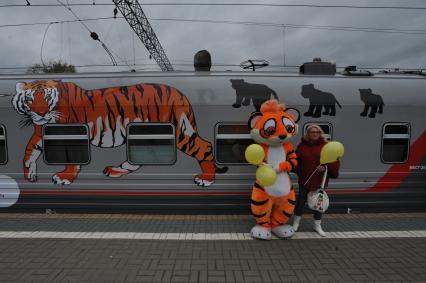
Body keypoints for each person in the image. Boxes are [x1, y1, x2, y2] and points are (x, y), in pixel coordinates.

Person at [293, 124, 340, 237]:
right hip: (305, 178)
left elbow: (334, 160)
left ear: (320, 133)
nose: (315, 134)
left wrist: (325, 168)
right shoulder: (301, 146)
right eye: (312, 132)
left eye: (317, 132)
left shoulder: (325, 146)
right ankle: (296, 223)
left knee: (319, 202)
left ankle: (317, 225)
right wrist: (293, 168)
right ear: (308, 134)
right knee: (301, 201)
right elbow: (296, 160)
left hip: (320, 179)